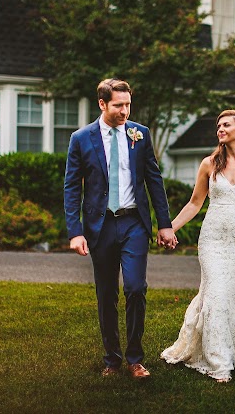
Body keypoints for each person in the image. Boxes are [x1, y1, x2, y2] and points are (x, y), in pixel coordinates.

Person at [64, 78, 177, 380]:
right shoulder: (81, 138)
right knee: (106, 293)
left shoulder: (140, 134)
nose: (125, 111)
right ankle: (112, 359)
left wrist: (164, 225)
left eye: (128, 104)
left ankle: (135, 358)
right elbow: (72, 187)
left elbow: (154, 180)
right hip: (100, 226)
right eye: (118, 105)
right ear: (102, 104)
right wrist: (75, 231)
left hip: (133, 223)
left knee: (136, 288)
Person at [161, 109, 235, 382]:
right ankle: (219, 362)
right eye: (218, 125)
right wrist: (169, 228)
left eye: (226, 125)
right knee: (218, 294)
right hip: (213, 240)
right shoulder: (209, 164)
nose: (220, 129)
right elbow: (195, 203)